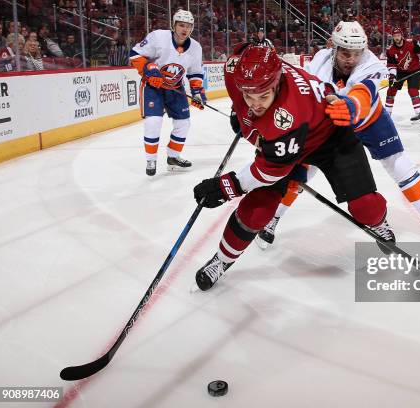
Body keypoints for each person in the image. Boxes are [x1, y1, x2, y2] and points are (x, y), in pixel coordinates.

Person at [191, 43, 396, 291]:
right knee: (256, 211)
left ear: (277, 83)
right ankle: (221, 261)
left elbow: (268, 172)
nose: (255, 105)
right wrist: (240, 110)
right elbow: (243, 48)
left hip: (329, 135)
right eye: (248, 96)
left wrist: (225, 187)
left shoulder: (287, 114)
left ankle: (379, 222)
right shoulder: (236, 68)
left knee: (366, 207)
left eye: (263, 96)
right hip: (289, 140)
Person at [256, 21, 420, 249]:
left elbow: (363, 93)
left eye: (356, 53)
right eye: (345, 53)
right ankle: (274, 218)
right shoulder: (319, 60)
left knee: (400, 164)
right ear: (334, 48)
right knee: (299, 174)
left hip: (368, 118)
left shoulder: (371, 63)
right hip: (329, 124)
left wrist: (349, 105)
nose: (351, 59)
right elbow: (301, 93)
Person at [129, 9, 206, 176]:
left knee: (183, 123)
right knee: (154, 121)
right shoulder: (158, 37)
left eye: (188, 26)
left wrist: (198, 93)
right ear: (174, 25)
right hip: (153, 87)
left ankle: (173, 156)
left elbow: (195, 73)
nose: (184, 29)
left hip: (176, 88)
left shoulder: (195, 48)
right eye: (181, 25)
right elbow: (135, 54)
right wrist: (149, 69)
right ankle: (151, 159)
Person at [384, 27, 420, 121]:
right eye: (395, 36)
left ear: (402, 36)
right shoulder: (390, 50)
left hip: (414, 71)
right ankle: (387, 114)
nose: (397, 37)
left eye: (398, 35)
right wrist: (392, 76)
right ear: (392, 37)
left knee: (413, 91)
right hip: (400, 72)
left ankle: (419, 113)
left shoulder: (412, 43)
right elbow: (391, 64)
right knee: (391, 90)